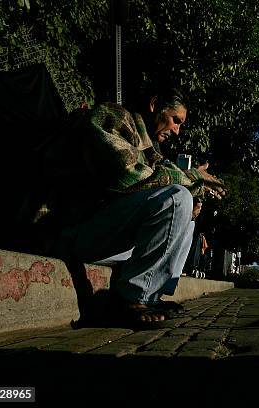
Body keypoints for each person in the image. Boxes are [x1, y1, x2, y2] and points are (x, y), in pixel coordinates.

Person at [40, 89, 226, 329]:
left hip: (101, 237)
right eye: (175, 120)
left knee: (187, 215)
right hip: (67, 231)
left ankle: (153, 295)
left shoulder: (150, 151)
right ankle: (133, 298)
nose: (177, 131)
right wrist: (191, 178)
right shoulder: (112, 117)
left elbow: (162, 180)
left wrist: (195, 197)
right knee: (177, 197)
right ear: (154, 103)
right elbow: (127, 175)